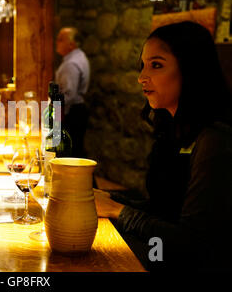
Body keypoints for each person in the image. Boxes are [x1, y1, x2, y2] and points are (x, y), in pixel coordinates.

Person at [94, 21, 232, 271]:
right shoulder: (174, 129)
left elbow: (193, 243)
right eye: (143, 65)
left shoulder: (214, 140)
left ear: (191, 69)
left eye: (156, 65)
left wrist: (117, 210)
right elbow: (165, 210)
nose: (141, 78)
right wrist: (109, 199)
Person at [55, 27, 90, 158]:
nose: (56, 42)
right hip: (77, 110)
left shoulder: (71, 63)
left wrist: (51, 108)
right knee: (77, 153)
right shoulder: (79, 56)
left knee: (71, 155)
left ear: (71, 44)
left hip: (72, 113)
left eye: (60, 39)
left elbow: (68, 96)